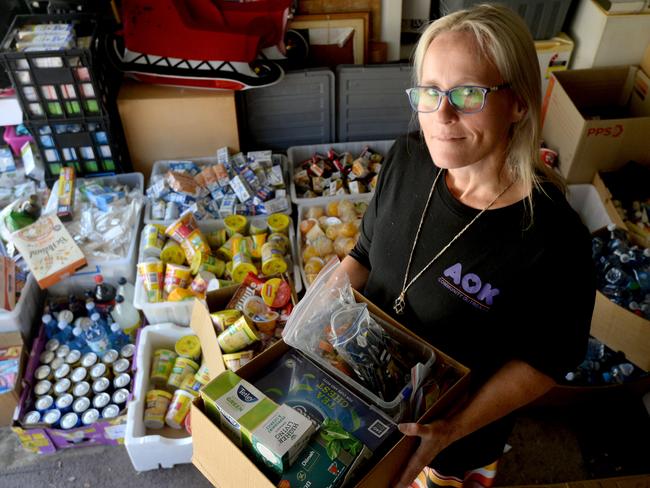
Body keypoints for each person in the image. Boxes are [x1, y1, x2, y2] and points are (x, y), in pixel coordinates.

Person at [338, 4, 596, 487]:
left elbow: (545, 361)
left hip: (450, 440)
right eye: (430, 92)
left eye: (468, 93)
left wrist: (452, 429)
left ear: (518, 103)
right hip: (361, 393)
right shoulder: (409, 157)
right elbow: (364, 257)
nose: (443, 114)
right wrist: (308, 320)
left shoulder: (554, 239)